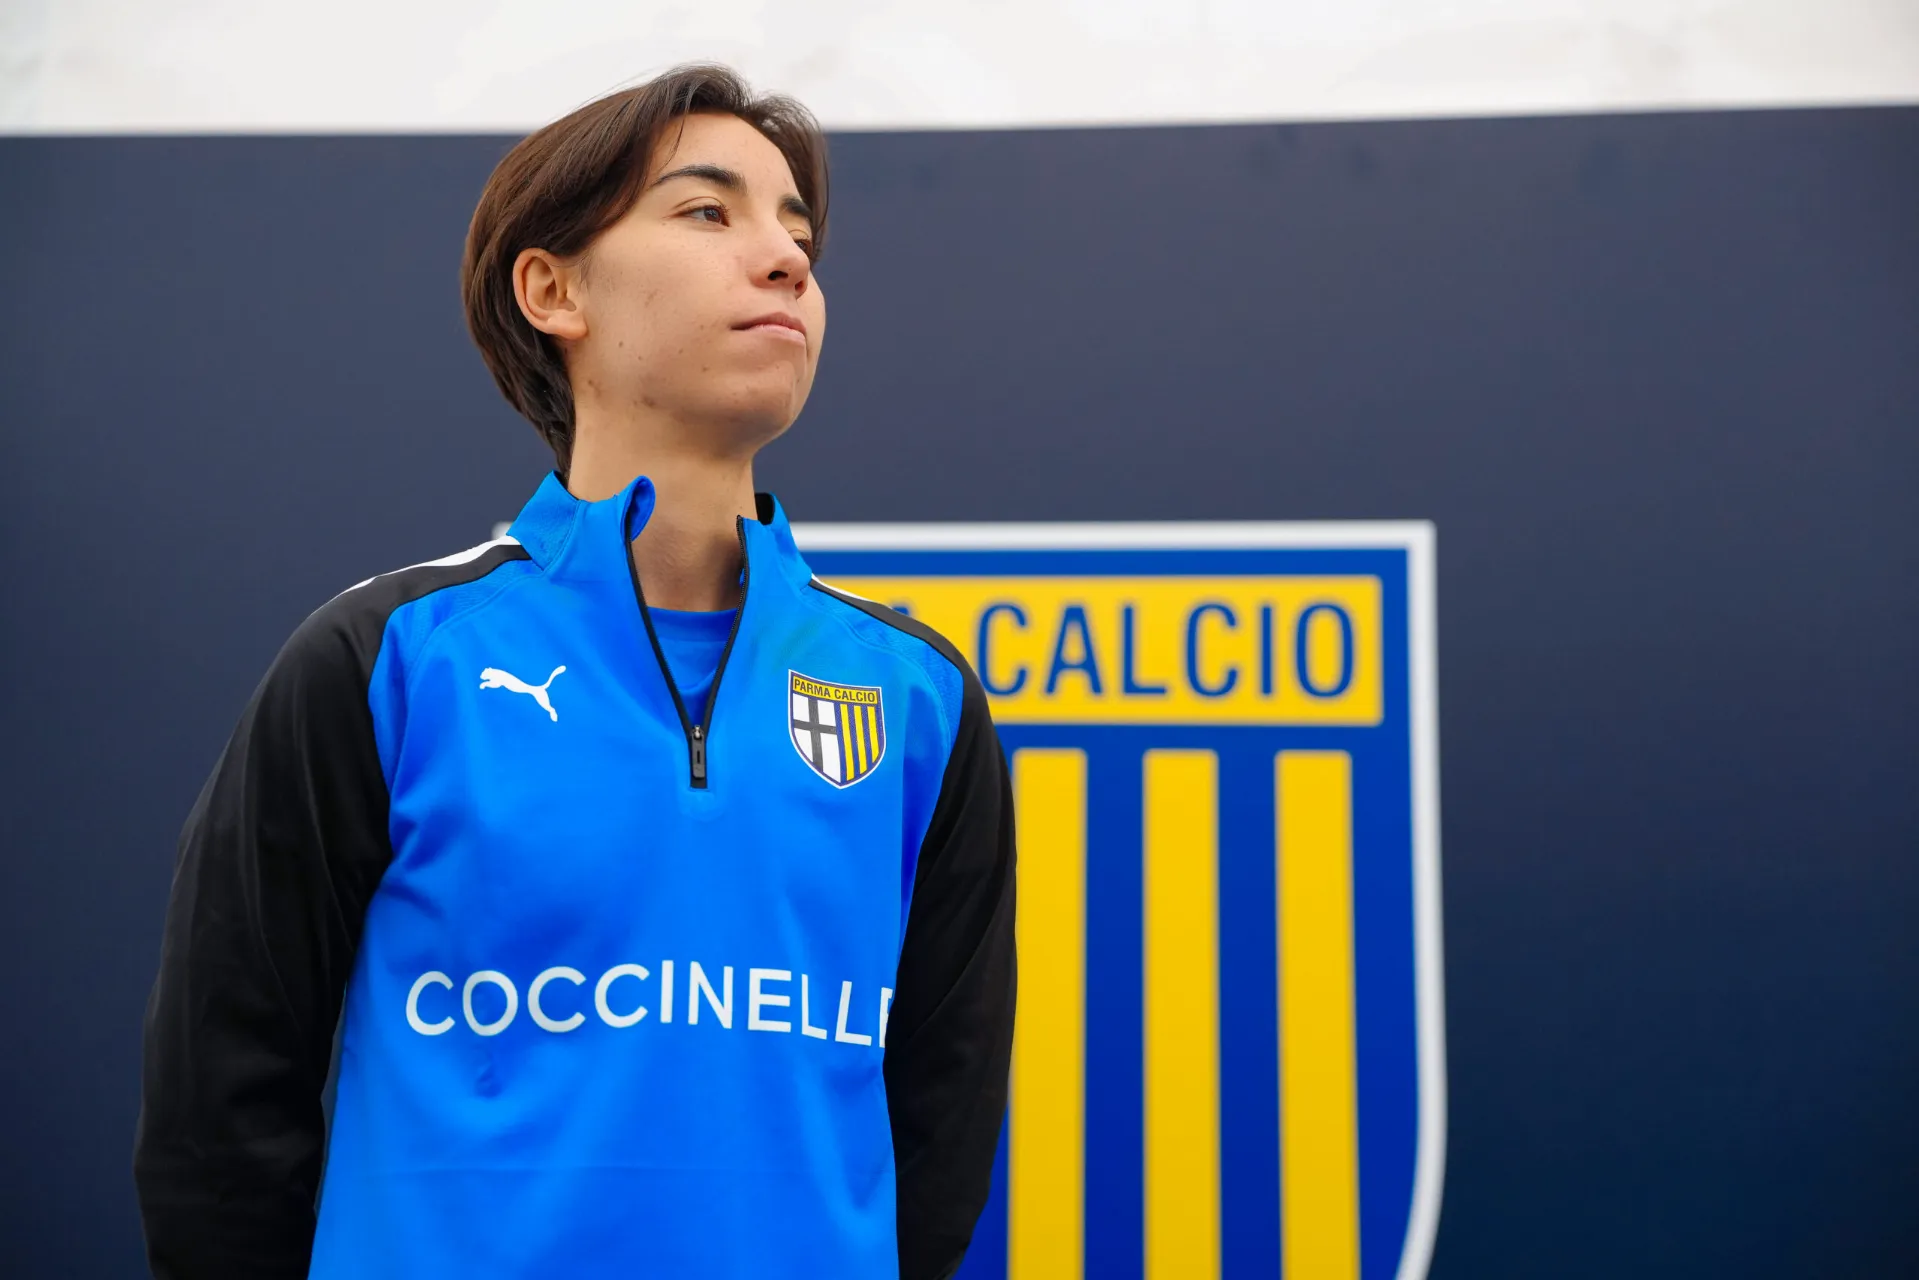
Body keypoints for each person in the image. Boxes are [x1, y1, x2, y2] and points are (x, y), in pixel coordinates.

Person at [133, 64, 1016, 1280]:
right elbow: (222, 1120)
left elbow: (937, 1131)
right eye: (706, 210)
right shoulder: (386, 661)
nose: (784, 260)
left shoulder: (920, 698)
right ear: (552, 290)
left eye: (797, 234)